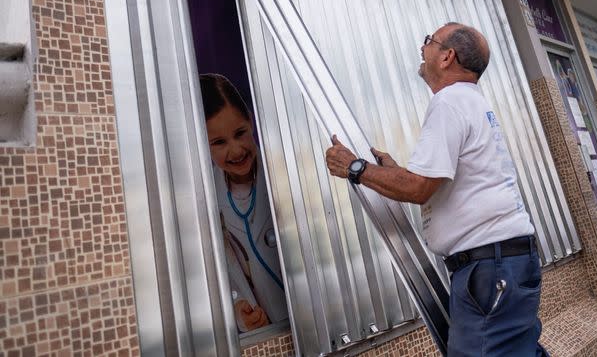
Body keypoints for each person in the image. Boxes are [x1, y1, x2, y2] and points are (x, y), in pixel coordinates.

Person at [325, 23, 548, 356]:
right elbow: (436, 182)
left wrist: (355, 168)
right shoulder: (470, 102)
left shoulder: (449, 103)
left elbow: (419, 189)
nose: (422, 47)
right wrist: (397, 173)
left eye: (429, 41)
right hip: (504, 264)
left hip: (490, 271)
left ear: (447, 57)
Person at [200, 73, 289, 333]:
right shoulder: (207, 197)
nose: (236, 150)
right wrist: (238, 309)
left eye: (240, 133)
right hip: (269, 330)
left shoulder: (282, 174)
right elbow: (222, 274)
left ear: (250, 121)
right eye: (219, 142)